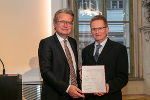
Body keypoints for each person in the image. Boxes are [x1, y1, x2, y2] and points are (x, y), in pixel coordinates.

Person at [38, 8, 85, 100]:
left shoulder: (73, 42)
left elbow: (71, 66)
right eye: (62, 21)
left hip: (76, 94)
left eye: (69, 22)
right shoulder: (46, 43)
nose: (66, 25)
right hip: (56, 95)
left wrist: (79, 72)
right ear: (54, 24)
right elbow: (45, 72)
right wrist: (67, 88)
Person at [82, 15, 128, 100]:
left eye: (100, 28)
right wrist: (82, 74)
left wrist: (108, 86)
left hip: (111, 96)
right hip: (90, 97)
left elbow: (123, 77)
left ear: (107, 29)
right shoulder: (86, 50)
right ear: (91, 31)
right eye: (94, 29)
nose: (97, 32)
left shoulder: (119, 49)